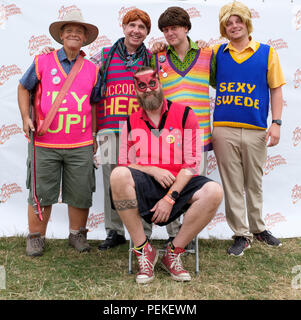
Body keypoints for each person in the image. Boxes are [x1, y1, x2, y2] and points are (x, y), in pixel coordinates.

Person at [110, 66, 223, 283]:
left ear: (160, 84)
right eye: (141, 86)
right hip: (146, 183)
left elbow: (191, 164)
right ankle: (143, 249)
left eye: (152, 84)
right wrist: (153, 169)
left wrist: (170, 197)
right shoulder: (130, 121)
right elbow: (125, 163)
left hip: (179, 182)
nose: (148, 90)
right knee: (118, 175)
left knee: (214, 191)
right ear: (136, 90)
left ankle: (174, 252)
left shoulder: (185, 114)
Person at [17, 11, 101, 256]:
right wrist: (25, 117)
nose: (74, 34)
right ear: (61, 35)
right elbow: (23, 87)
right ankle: (36, 237)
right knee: (41, 192)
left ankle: (77, 235)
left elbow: (94, 104)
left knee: (81, 191)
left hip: (81, 142)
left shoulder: (93, 69)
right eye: (69, 30)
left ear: (85, 38)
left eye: (79, 31)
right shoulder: (42, 61)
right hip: (44, 142)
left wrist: (94, 134)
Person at [211, 1, 285, 256]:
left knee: (254, 182)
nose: (233, 26)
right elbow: (188, 56)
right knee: (232, 183)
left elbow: (276, 89)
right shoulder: (216, 53)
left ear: (246, 23)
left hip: (256, 129)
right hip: (223, 129)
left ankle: (258, 228)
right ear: (223, 28)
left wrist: (276, 123)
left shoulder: (267, 52)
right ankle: (240, 234)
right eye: (228, 23)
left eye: (237, 21)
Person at [150, 7, 215, 244]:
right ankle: (173, 235)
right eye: (165, 30)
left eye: (174, 28)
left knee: (196, 189)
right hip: (169, 136)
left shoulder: (208, 53)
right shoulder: (158, 57)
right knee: (171, 186)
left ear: (186, 28)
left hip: (199, 135)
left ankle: (188, 239)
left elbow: (222, 80)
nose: (169, 33)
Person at [91, 9, 153, 250]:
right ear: (124, 27)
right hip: (108, 130)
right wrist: (49, 53)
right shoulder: (105, 55)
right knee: (111, 183)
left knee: (142, 181)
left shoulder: (151, 56)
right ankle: (114, 231)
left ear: (147, 32)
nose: (136, 30)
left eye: (142, 27)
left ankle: (144, 232)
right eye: (132, 25)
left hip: (140, 131)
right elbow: (80, 69)